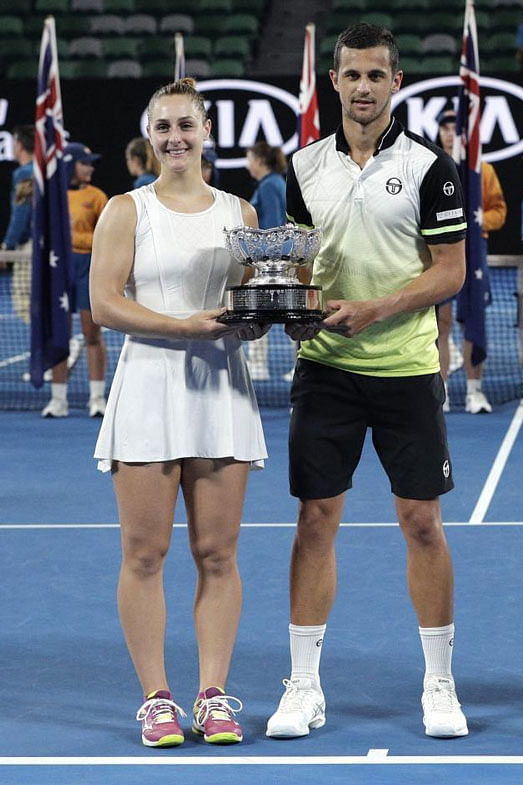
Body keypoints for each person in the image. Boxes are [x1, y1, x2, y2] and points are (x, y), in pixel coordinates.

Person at [265, 22, 469, 741]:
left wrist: (376, 309)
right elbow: (293, 264)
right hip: (325, 371)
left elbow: (451, 270)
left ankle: (439, 682)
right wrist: (291, 311)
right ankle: (303, 684)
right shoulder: (304, 167)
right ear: (334, 81)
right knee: (314, 520)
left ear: (396, 83)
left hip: (406, 370)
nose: (362, 87)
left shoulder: (429, 166)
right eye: (350, 75)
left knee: (422, 522)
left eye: (375, 75)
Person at [90, 77, 268, 747]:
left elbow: (248, 306)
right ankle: (157, 699)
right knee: (145, 553)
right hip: (147, 390)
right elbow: (105, 303)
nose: (174, 137)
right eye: (162, 127)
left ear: (205, 131)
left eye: (184, 125)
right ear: (150, 135)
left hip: (220, 390)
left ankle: (214, 694)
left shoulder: (243, 215)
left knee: (217, 553)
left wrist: (264, 321)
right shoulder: (124, 210)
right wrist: (184, 327)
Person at [434, 107, 507, 413]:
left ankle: (474, 390)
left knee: (473, 322)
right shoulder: (431, 167)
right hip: (439, 255)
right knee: (441, 323)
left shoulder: (484, 171)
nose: (451, 133)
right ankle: (443, 390)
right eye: (445, 128)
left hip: (474, 255)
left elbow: (499, 211)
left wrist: (474, 225)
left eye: (455, 127)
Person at [41, 142, 109, 418]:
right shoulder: (51, 197)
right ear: (71, 165)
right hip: (59, 270)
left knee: (92, 334)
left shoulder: (97, 197)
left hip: (88, 269)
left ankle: (96, 399)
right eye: (85, 163)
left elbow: (108, 238)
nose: (90, 168)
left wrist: (75, 238)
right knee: (59, 335)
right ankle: (58, 400)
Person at [244, 141, 289, 381]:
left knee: (259, 308)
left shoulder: (270, 185)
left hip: (272, 261)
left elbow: (272, 227)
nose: (247, 164)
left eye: (249, 158)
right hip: (278, 259)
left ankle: (259, 365)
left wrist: (263, 261)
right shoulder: (272, 183)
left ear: (260, 161)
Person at [2, 125, 33, 320]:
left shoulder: (23, 174)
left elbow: (21, 214)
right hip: (48, 245)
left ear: (20, 145)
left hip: (28, 248)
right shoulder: (45, 171)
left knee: (26, 303)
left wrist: (8, 246)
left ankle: (43, 349)